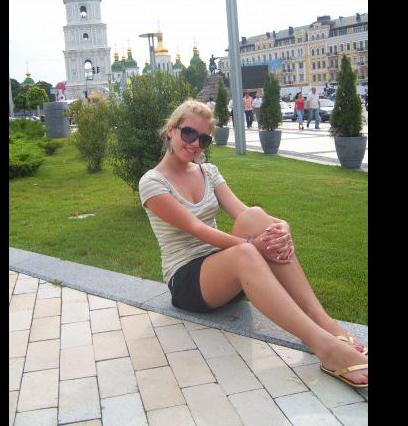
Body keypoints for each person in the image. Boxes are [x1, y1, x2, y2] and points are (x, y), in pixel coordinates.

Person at [138, 99, 368, 388]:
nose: (195, 143)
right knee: (245, 250)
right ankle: (325, 347)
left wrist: (282, 226)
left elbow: (243, 212)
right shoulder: (152, 182)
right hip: (188, 282)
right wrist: (253, 247)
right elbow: (197, 229)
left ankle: (322, 320)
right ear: (171, 130)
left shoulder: (208, 172)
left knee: (255, 216)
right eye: (188, 133)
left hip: (227, 272)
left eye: (203, 139)